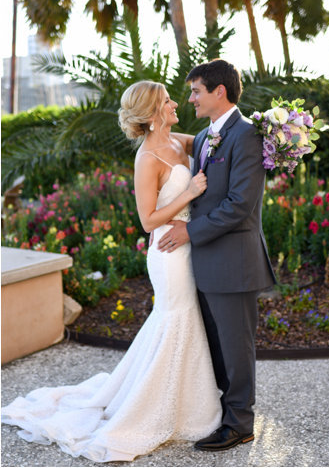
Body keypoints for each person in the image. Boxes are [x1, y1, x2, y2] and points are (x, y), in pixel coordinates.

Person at [1, 80, 221, 462]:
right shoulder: (148, 158)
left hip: (187, 246)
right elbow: (148, 221)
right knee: (176, 321)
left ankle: (185, 403)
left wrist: (265, 132)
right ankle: (155, 409)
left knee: (179, 322)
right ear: (153, 114)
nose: (175, 105)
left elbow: (209, 138)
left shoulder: (176, 141)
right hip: (167, 251)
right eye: (168, 101)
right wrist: (189, 194)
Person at [156, 59, 276, 452]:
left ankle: (240, 424)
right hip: (205, 263)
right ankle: (221, 416)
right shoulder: (208, 136)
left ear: (218, 91)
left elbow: (240, 204)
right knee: (216, 347)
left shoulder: (247, 135)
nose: (190, 98)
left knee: (237, 347)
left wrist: (188, 231)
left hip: (235, 263)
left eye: (195, 91)